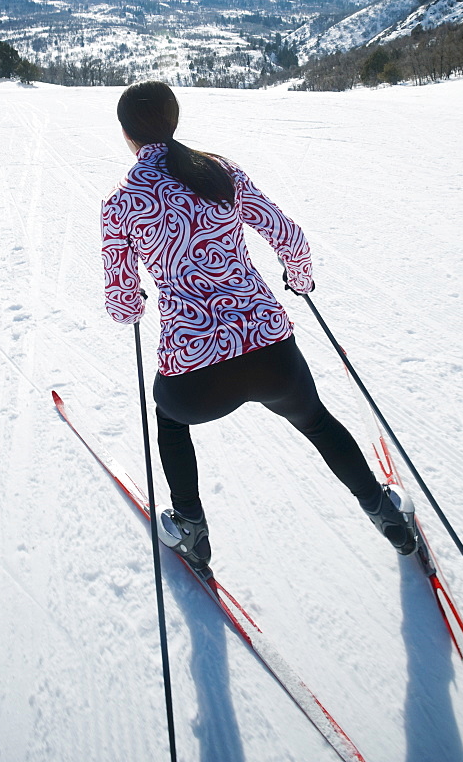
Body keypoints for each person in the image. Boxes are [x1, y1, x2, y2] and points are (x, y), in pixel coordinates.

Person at [101, 81, 416, 573]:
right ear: (173, 121)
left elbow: (120, 304)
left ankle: (189, 526)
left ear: (126, 135)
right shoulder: (218, 172)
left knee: (169, 420)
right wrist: (300, 278)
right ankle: (386, 514)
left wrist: (136, 302)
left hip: (194, 375)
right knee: (317, 422)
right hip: (271, 353)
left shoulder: (121, 202)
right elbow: (288, 235)